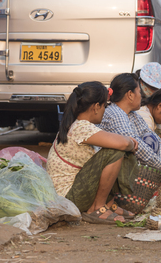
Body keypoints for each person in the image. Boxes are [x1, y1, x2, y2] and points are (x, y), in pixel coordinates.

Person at [47, 81, 138, 224]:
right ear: (96, 107)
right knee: (115, 152)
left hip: (71, 193)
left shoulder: (77, 125)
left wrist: (128, 144)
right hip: (68, 198)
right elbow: (124, 143)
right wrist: (131, 143)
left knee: (120, 151)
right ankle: (97, 208)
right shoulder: (81, 127)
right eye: (104, 106)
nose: (104, 110)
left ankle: (108, 204)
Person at [98, 73, 161, 176]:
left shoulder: (133, 115)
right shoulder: (114, 113)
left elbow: (156, 139)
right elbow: (136, 145)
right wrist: (160, 165)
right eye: (139, 91)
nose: (141, 95)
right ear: (130, 95)